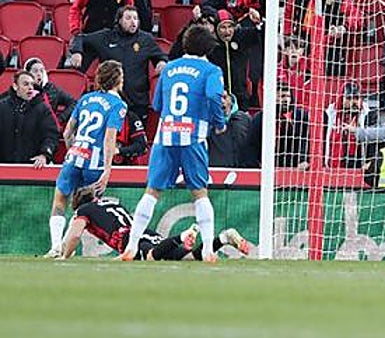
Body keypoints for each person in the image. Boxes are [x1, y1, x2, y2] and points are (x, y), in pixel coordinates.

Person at [121, 25, 228, 262]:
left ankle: (130, 247)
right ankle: (209, 250)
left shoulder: (169, 68)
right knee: (200, 194)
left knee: (152, 192)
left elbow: (157, 104)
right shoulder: (211, 70)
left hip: (166, 135)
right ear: (208, 47)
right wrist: (219, 122)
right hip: (193, 137)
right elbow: (212, 96)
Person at [45, 59, 125, 258]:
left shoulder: (86, 99)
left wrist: (75, 151)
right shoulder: (118, 105)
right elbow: (109, 138)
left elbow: (67, 132)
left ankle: (55, 246)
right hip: (95, 163)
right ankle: (65, 248)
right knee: (87, 209)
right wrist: (107, 170)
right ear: (117, 80)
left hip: (75, 157)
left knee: (60, 200)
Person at [57, 185, 252, 260]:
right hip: (142, 231)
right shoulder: (108, 202)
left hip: (127, 238)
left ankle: (182, 236)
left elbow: (74, 235)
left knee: (150, 257)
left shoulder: (82, 211)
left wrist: (64, 256)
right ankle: (224, 237)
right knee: (188, 258)